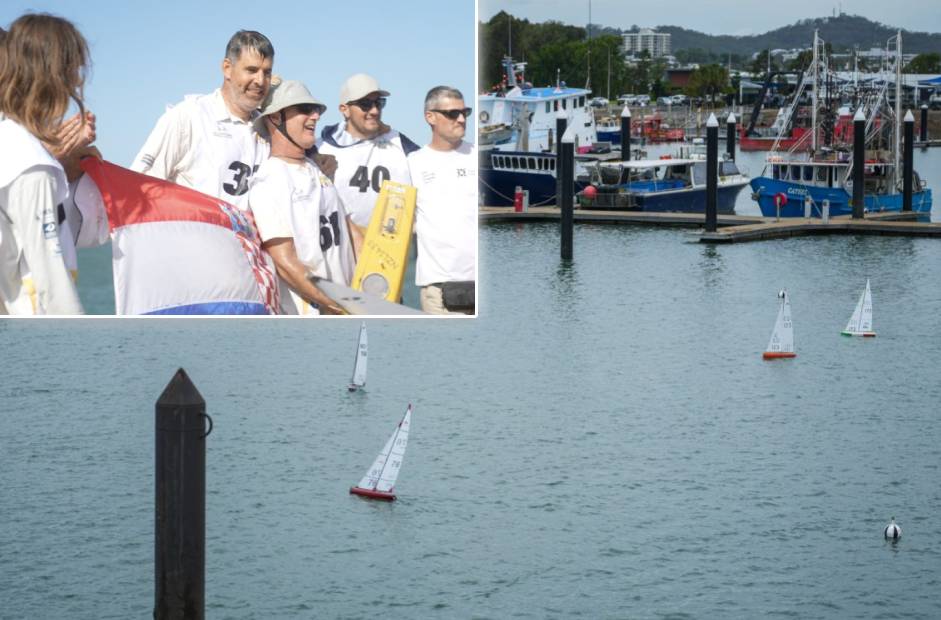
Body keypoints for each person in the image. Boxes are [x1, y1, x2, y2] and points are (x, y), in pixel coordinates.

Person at [0, 14, 93, 314]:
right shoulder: (32, 167)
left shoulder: (10, 143)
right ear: (50, 74)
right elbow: (52, 286)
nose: (77, 81)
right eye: (71, 69)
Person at [248, 80, 362, 315]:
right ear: (275, 119)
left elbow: (351, 232)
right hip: (313, 317)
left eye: (316, 110)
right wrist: (337, 305)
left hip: (350, 308)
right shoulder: (268, 181)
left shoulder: (318, 169)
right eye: (303, 110)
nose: (314, 117)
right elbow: (286, 263)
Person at [131, 30, 274, 210]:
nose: (260, 81)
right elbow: (139, 186)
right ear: (227, 68)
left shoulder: (269, 132)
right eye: (251, 70)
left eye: (267, 73)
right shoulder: (188, 117)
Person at [318, 73, 419, 233]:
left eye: (379, 103)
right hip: (340, 251)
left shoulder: (399, 143)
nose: (374, 111)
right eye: (365, 104)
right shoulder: (321, 149)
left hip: (389, 250)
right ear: (344, 109)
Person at [408, 86, 477, 315]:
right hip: (440, 291)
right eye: (452, 113)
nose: (460, 119)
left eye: (464, 112)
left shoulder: (478, 157)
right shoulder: (412, 164)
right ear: (430, 117)